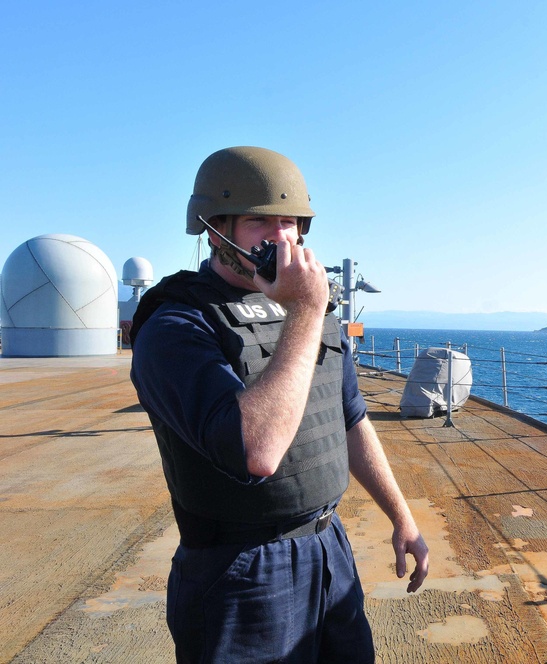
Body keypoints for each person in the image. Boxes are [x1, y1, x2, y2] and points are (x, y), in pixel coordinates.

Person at [130, 146, 429, 663]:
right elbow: (256, 451)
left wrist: (402, 517)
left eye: (288, 223)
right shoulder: (176, 327)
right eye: (256, 223)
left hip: (328, 547)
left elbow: (349, 416)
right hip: (239, 572)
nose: (279, 238)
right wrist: (307, 313)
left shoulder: (308, 313)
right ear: (214, 229)